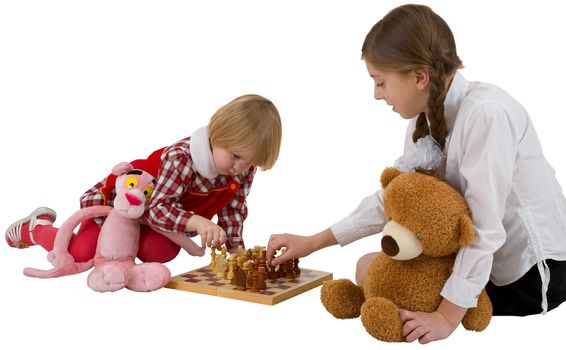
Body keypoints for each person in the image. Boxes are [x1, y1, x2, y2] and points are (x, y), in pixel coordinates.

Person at [267, 4, 566, 344]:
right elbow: (398, 200)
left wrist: (445, 317)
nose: (377, 95)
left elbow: (485, 229)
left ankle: (393, 313)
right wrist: (313, 242)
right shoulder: (422, 121)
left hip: (528, 277)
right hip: (482, 257)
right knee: (368, 267)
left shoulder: (487, 116)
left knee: (373, 272)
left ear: (420, 77)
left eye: (380, 82)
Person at [6, 94, 282, 264]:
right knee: (81, 252)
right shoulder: (182, 158)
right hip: (122, 207)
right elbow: (159, 207)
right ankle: (36, 228)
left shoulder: (242, 169)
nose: (240, 168)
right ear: (217, 134)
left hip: (153, 220)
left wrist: (236, 253)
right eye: (235, 156)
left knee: (160, 252)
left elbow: (233, 210)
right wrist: (197, 222)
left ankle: (126, 251)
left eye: (250, 163)